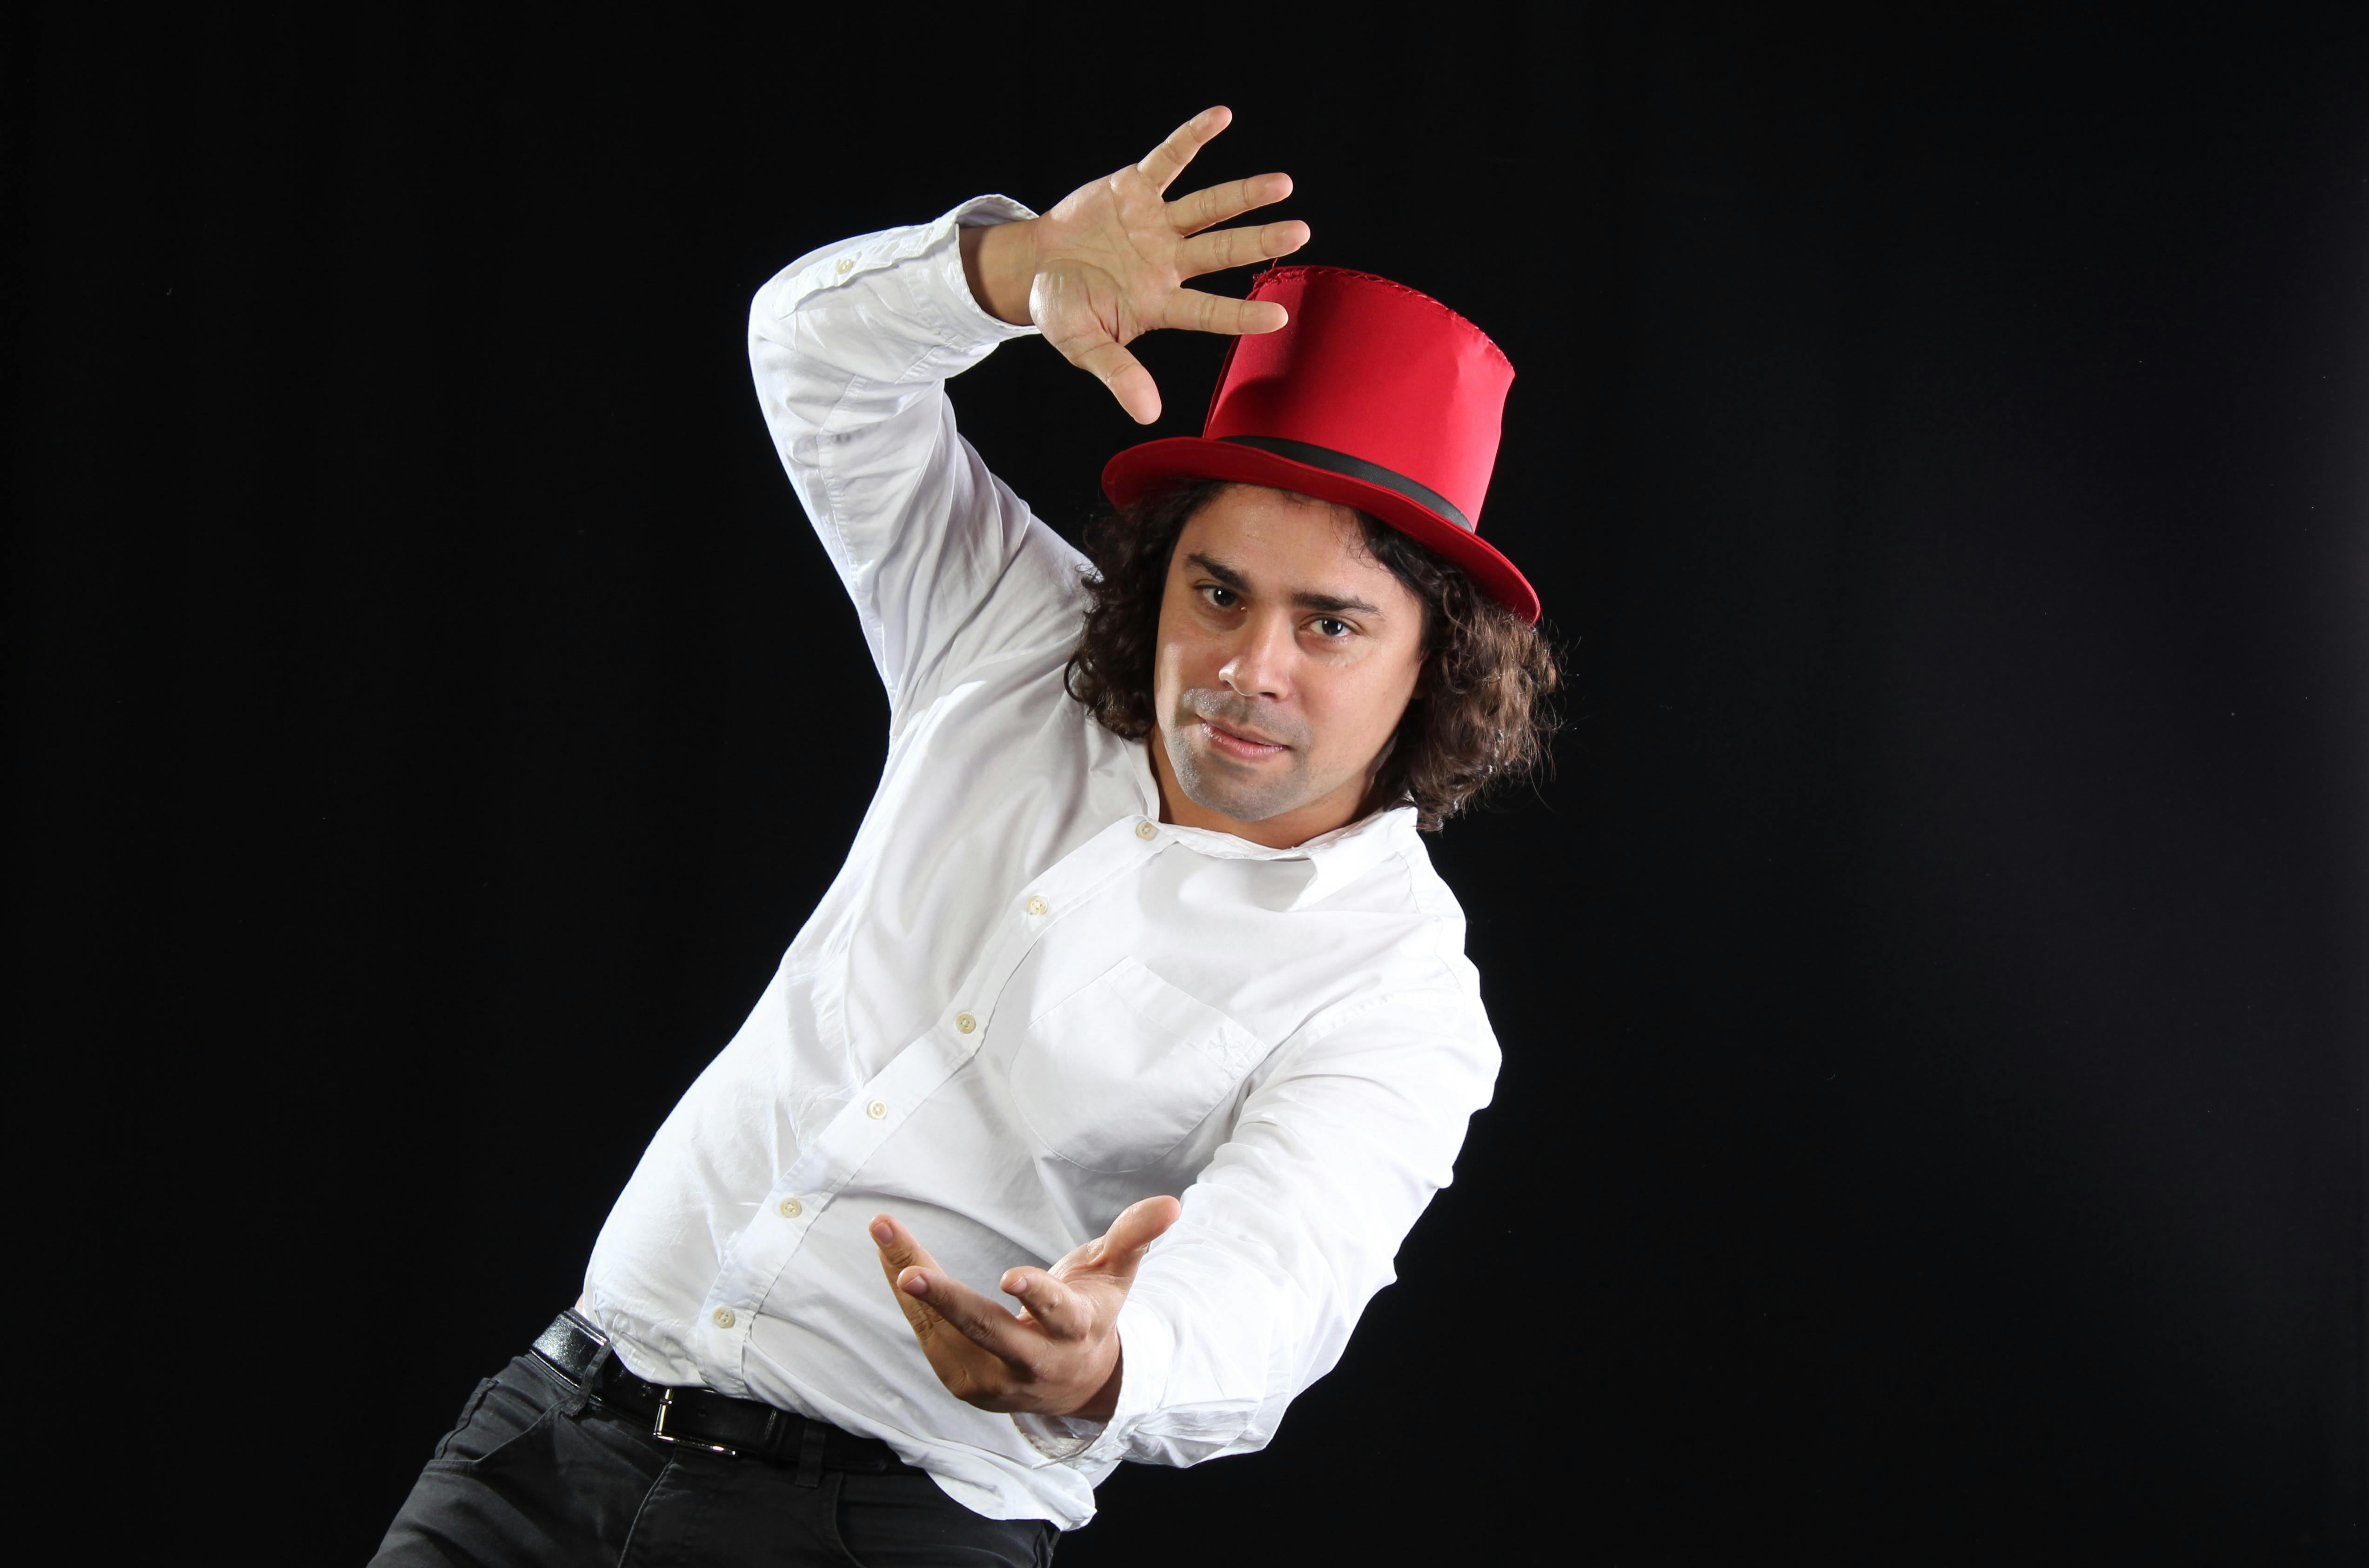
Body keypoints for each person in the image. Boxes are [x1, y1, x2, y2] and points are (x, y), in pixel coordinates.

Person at [373, 106, 1558, 1567]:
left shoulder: (1399, 987)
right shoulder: (1012, 640)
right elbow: (814, 362)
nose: (1253, 664)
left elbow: (1280, 1273)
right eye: (1218, 592)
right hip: (543, 1442)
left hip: (876, 1527)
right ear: (1159, 578)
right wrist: (1009, 272)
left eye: (1330, 624)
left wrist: (1110, 1356)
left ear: (1436, 664)